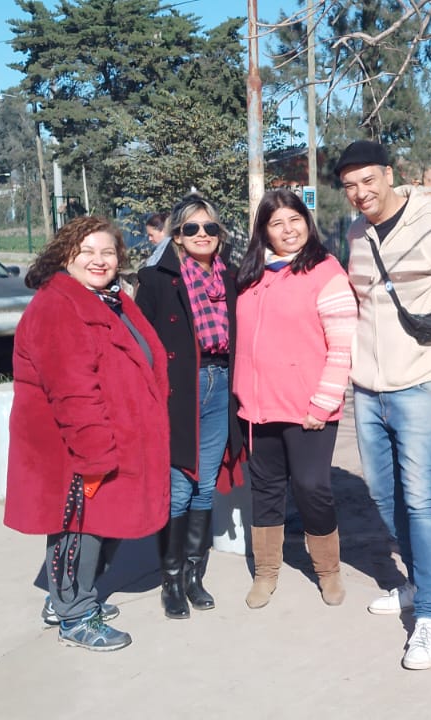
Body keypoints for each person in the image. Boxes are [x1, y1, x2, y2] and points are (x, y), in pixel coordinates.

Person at [336, 139, 431, 670]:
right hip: (369, 388)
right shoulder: (355, 233)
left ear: (389, 175)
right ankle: (417, 583)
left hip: (424, 381)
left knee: (421, 497)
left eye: (368, 180)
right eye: (350, 186)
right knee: (382, 492)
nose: (360, 193)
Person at [4, 216, 170, 652]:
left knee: (99, 525)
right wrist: (95, 452)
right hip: (77, 445)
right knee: (79, 529)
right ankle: (74, 616)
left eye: (108, 252)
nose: (99, 260)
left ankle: (66, 600)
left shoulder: (109, 300)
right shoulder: (59, 306)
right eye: (88, 252)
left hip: (115, 437)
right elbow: (72, 390)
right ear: (65, 256)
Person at [232, 189, 356, 610]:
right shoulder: (252, 275)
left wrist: (323, 403)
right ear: (264, 231)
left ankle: (328, 571)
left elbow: (342, 347)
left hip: (309, 409)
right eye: (277, 223)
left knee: (311, 487)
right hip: (258, 407)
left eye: (294, 219)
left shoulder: (326, 271)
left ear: (307, 221)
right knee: (265, 490)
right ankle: (266, 572)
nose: (288, 230)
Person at [134, 196, 242, 618]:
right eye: (191, 228)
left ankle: (195, 577)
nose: (202, 235)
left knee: (205, 484)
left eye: (210, 227)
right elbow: (141, 342)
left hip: (221, 384)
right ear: (177, 235)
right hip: (179, 390)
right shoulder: (157, 278)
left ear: (219, 234)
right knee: (179, 487)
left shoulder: (230, 277)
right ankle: (172, 581)